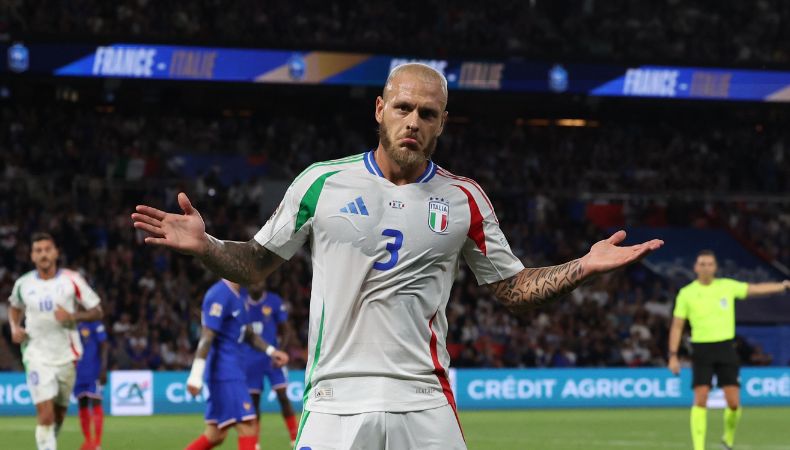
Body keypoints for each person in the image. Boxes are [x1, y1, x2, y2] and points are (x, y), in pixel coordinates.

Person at [132, 63, 664, 449]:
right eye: (403, 108)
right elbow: (255, 263)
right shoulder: (321, 183)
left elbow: (513, 290)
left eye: (427, 113)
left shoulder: (465, 199)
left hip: (425, 399)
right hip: (335, 399)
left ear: (442, 123)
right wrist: (206, 246)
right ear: (380, 110)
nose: (413, 121)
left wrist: (583, 267)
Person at [667, 250, 790, 450]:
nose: (706, 267)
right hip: (701, 349)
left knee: (733, 403)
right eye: (702, 264)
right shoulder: (686, 293)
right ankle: (698, 448)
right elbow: (677, 326)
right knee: (701, 398)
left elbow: (755, 289)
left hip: (725, 348)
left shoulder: (727, 286)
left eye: (710, 264)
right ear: (696, 267)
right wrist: (672, 355)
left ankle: (728, 439)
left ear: (715, 267)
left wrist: (782, 286)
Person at [8, 232, 103, 450]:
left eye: (47, 250)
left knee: (58, 415)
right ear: (32, 256)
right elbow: (14, 307)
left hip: (67, 356)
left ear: (56, 253)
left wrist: (73, 316)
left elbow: (97, 311)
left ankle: (48, 442)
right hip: (35, 355)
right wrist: (15, 327)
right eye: (38, 251)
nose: (43, 254)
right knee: (45, 414)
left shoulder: (72, 280)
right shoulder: (23, 284)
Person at [184, 279, 289, 450]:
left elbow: (248, 334)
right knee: (248, 426)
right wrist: (195, 376)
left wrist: (271, 351)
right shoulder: (219, 293)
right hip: (225, 372)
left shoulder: (239, 297)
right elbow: (207, 336)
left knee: (215, 434)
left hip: (234, 370)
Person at [244, 281, 298, 446]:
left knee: (283, 397)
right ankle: (255, 443)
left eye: (259, 281)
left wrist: (280, 351)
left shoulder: (274, 301)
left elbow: (286, 329)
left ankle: (295, 438)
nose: (256, 284)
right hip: (250, 358)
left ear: (264, 283)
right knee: (254, 401)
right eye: (253, 282)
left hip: (272, 358)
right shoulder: (241, 301)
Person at [73, 318, 109, 450]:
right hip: (78, 372)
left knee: (96, 403)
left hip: (94, 371)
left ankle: (97, 443)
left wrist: (103, 368)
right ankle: (88, 442)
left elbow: (104, 345)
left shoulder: (96, 324)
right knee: (82, 405)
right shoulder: (73, 324)